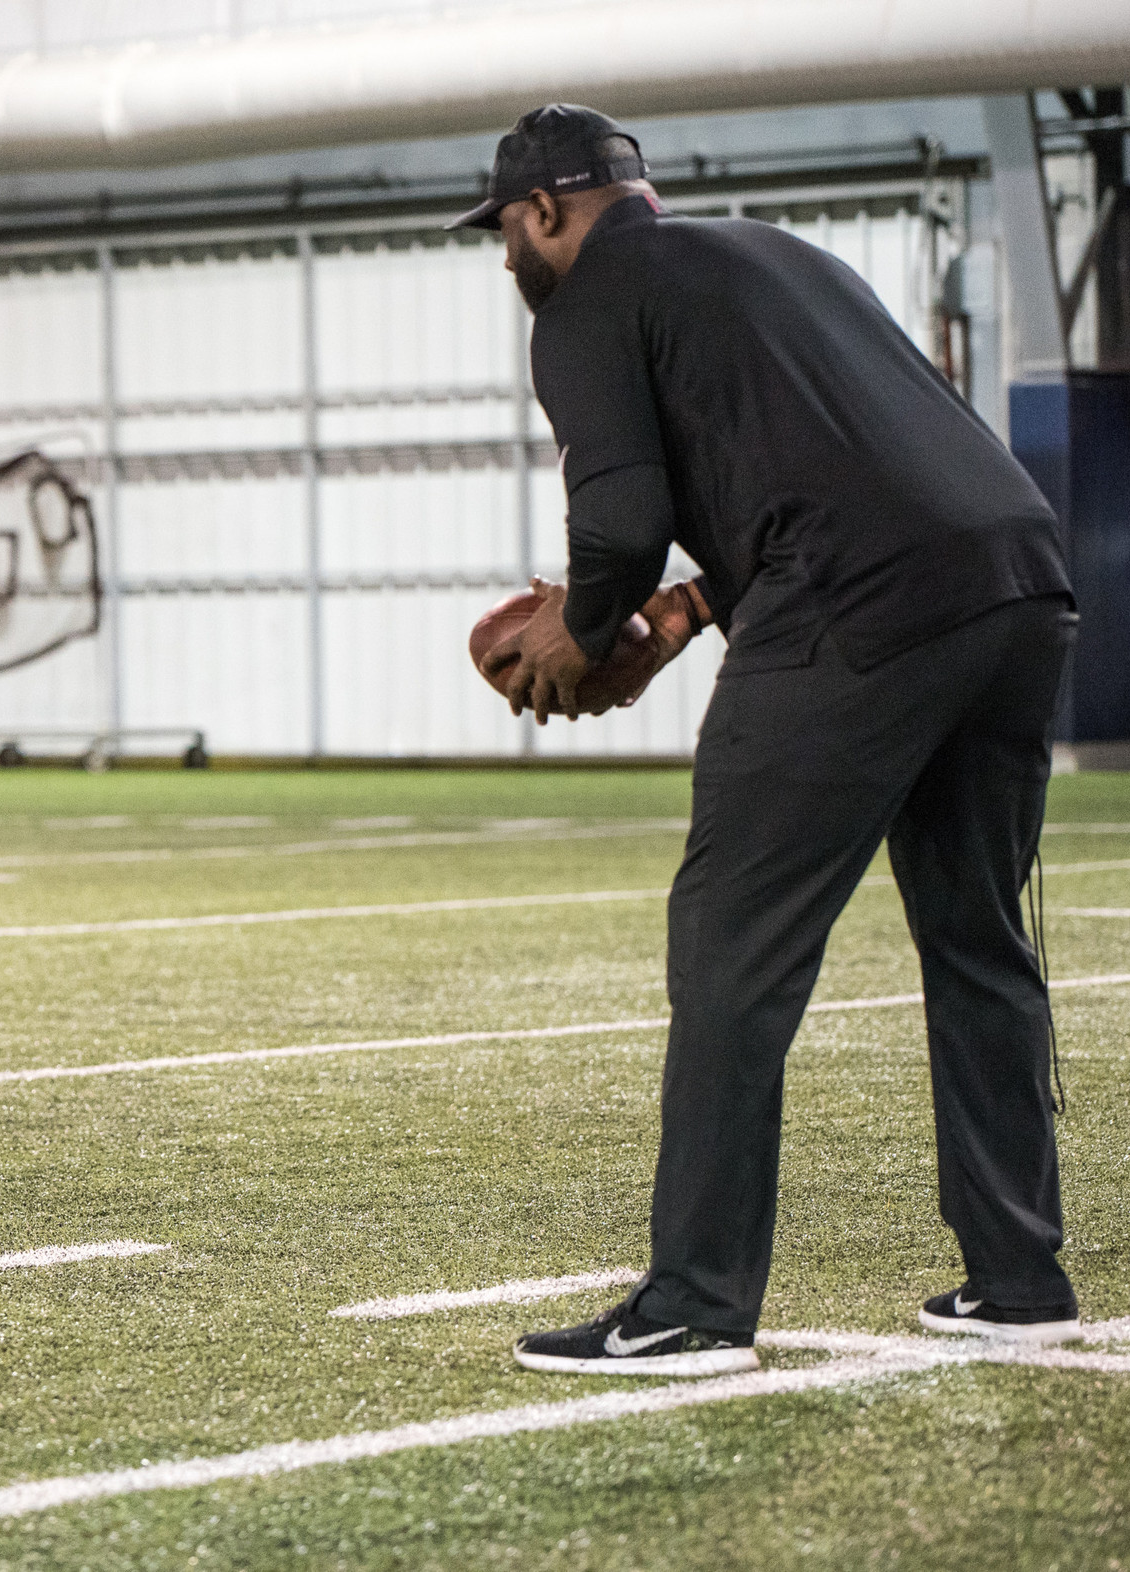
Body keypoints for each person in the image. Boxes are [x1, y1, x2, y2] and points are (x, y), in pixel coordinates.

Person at [461, 106, 1081, 1374]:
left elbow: (619, 522)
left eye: (505, 231)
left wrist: (583, 628)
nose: (507, 255)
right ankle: (1020, 1278)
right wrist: (680, 616)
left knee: (729, 942)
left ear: (544, 213)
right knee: (977, 937)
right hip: (1017, 581)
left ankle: (692, 1303)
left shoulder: (581, 305)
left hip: (856, 605)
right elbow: (841, 468)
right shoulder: (781, 257)